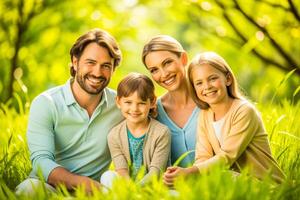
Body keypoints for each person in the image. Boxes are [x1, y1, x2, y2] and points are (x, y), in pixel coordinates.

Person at [15, 28, 124, 195]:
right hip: (50, 188)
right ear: (75, 62)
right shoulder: (46, 103)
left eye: (106, 66)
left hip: (93, 196)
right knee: (27, 190)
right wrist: (88, 185)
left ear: (113, 69)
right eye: (90, 63)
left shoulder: (122, 106)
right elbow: (41, 162)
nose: (97, 72)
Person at [163, 52, 286, 186]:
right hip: (235, 182)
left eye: (212, 78)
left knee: (220, 175)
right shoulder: (205, 114)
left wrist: (190, 172)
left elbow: (226, 157)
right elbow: (203, 157)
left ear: (227, 79)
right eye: (199, 83)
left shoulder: (244, 111)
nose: (207, 86)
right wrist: (191, 176)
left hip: (265, 184)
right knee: (203, 180)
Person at [102, 72, 171, 187]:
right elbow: (122, 170)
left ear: (152, 102)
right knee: (107, 176)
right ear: (118, 102)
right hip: (128, 186)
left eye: (141, 103)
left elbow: (156, 172)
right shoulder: (114, 135)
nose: (134, 109)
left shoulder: (162, 132)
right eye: (128, 102)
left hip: (154, 187)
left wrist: (137, 192)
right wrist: (131, 191)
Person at [142, 35, 200, 167]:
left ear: (183, 59)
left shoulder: (209, 99)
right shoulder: (153, 112)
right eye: (154, 70)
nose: (163, 74)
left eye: (167, 63)